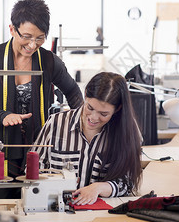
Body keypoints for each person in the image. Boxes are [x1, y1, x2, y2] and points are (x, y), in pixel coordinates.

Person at [0, 0, 83, 179]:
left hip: (36, 148)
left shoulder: (49, 61)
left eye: (40, 38)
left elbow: (74, 93)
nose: (32, 45)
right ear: (12, 29)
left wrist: (79, 125)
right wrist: (3, 116)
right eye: (27, 37)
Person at [30, 72, 142, 205]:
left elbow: (128, 182)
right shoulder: (56, 123)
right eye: (90, 107)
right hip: (54, 210)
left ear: (118, 109)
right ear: (85, 96)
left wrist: (99, 187)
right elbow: (33, 169)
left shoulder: (127, 131)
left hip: (101, 216)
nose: (93, 118)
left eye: (103, 114)